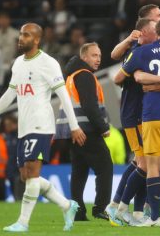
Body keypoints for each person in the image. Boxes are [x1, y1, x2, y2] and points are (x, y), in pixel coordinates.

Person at [0, 23, 86, 232]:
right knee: (26, 175)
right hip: (24, 125)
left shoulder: (48, 63)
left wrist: (74, 125)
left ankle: (23, 222)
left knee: (31, 174)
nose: (21, 38)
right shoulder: (18, 63)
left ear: (37, 40)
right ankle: (67, 205)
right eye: (21, 34)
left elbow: (63, 95)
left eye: (26, 35)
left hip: (41, 124)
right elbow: (11, 93)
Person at [106, 18, 160, 226]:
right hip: (136, 114)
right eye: (154, 29)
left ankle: (138, 211)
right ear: (144, 33)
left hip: (148, 114)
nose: (158, 34)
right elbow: (118, 77)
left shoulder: (150, 52)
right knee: (145, 163)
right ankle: (118, 206)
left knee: (150, 164)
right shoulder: (138, 51)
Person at [55, 42, 113, 221]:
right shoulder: (85, 75)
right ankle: (100, 208)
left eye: (100, 56)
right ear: (84, 58)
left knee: (79, 171)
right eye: (94, 55)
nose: (98, 59)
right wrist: (102, 127)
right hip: (86, 130)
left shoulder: (72, 76)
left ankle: (78, 211)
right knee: (105, 166)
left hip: (74, 130)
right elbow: (89, 106)